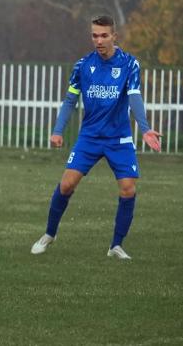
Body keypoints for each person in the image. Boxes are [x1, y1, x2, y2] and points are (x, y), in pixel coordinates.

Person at [30, 15, 162, 260]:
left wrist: (144, 129)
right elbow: (70, 99)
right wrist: (58, 130)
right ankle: (49, 234)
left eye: (104, 35)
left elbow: (134, 97)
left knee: (128, 189)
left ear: (114, 36)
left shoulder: (129, 64)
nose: (98, 40)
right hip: (90, 136)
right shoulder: (83, 65)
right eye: (94, 35)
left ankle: (116, 245)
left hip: (119, 138)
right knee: (67, 184)